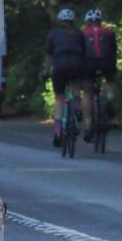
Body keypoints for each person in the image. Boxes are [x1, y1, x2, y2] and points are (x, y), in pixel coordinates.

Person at [45, 9, 86, 147]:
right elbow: (84, 52)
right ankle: (77, 109)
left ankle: (57, 132)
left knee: (59, 97)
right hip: (77, 64)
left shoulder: (53, 34)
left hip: (59, 65)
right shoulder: (80, 33)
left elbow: (49, 55)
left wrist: (46, 71)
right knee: (75, 87)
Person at [80, 8, 118, 141]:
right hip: (106, 62)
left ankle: (88, 126)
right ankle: (110, 99)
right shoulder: (109, 33)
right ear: (100, 21)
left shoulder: (82, 33)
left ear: (87, 22)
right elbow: (113, 51)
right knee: (111, 80)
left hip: (88, 64)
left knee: (87, 92)